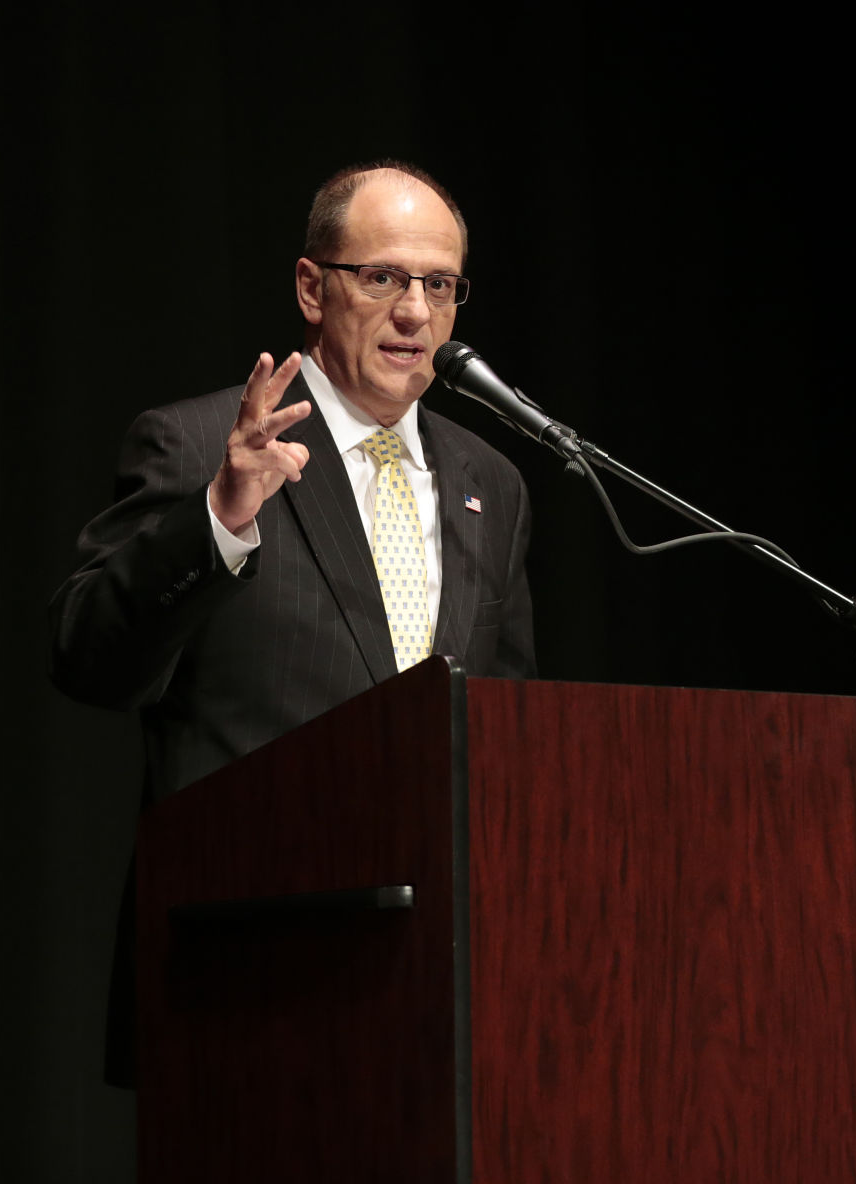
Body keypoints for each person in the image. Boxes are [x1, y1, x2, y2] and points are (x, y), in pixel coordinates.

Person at [49, 160, 536, 1084]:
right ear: (313, 287)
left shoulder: (490, 485)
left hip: (435, 984)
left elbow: (505, 728)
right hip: (245, 977)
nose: (415, 313)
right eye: (383, 276)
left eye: (439, 285)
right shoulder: (198, 446)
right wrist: (221, 519)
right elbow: (88, 662)